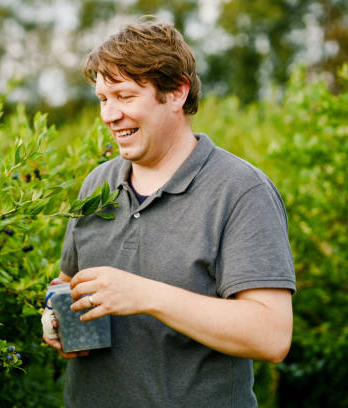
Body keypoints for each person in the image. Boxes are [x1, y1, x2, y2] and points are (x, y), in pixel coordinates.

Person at [42, 19, 296, 407]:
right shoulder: (97, 185)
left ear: (176, 93)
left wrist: (144, 294)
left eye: (124, 97)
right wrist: (56, 317)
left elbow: (271, 335)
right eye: (102, 99)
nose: (109, 115)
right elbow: (68, 281)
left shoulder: (241, 191)